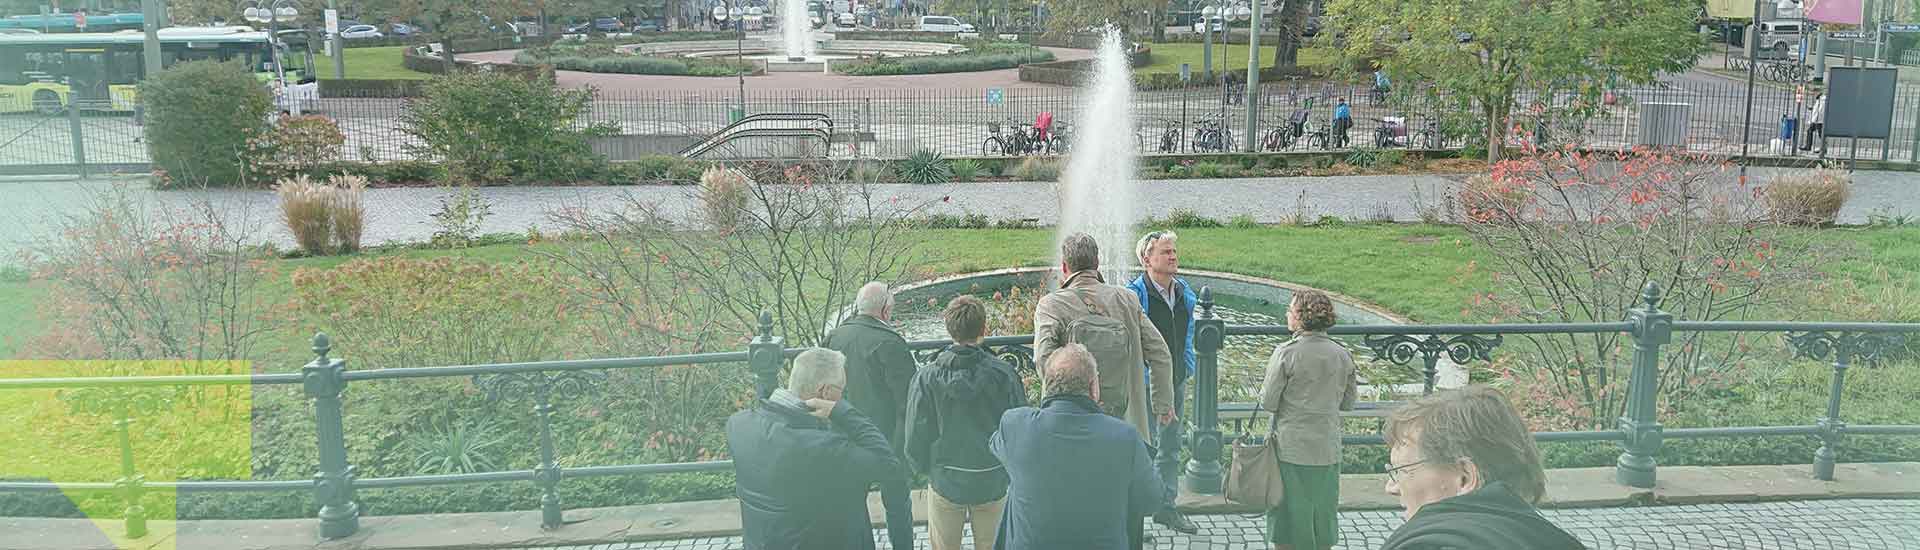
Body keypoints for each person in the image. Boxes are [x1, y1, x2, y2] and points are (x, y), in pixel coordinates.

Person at [1033, 232, 1174, 549]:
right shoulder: (1127, 299)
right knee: (1129, 517)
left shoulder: (1052, 305)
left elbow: (1043, 361)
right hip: (1129, 429)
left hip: (1071, 436)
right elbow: (1161, 354)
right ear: (1097, 264)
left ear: (1064, 267)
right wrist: (1162, 404)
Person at [726, 348, 908, 550]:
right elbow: (888, 465)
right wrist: (841, 411)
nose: (843, 396)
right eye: (842, 390)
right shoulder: (823, 448)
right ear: (826, 391)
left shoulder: (738, 426)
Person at [992, 344, 1163, 550]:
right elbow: (1151, 499)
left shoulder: (1015, 426)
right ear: (1093, 388)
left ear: (1047, 386)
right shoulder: (1124, 437)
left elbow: (995, 446)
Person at [1379, 386, 1586, 550]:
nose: (1391, 487)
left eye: (1401, 471)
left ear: (1464, 478)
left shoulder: (1429, 546)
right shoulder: (1555, 541)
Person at [904, 296, 1030, 550]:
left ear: (948, 328)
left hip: (946, 478)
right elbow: (1018, 428)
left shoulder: (926, 377)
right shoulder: (1004, 374)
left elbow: (915, 434)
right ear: (983, 329)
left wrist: (926, 469)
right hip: (992, 477)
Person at [1259, 290, 1358, 550]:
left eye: (1290, 311)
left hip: (1290, 449)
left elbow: (1268, 402)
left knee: (1288, 519)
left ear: (1301, 317)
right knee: (1321, 517)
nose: (1287, 314)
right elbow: (1348, 403)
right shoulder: (1343, 354)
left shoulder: (1286, 353)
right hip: (1327, 448)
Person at [824, 281, 918, 550]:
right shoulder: (890, 343)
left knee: (852, 507)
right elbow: (907, 402)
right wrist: (902, 451)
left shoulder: (834, 337)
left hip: (844, 439)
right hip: (887, 442)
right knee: (898, 507)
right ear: (886, 310)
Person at [1125, 231, 1200, 535]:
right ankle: (1135, 519)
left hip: (1175, 381)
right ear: (1147, 259)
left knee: (1170, 447)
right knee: (1141, 451)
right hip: (1144, 387)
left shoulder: (1183, 292)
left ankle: (1166, 509)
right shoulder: (1134, 295)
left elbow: (1189, 333)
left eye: (1174, 251)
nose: (1173, 257)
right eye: (1166, 252)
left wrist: (1186, 367)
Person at [1802, 89, 1827, 154]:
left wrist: (1815, 119)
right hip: (1816, 119)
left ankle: (1823, 149)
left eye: (1814, 93)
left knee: (1820, 134)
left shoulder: (1823, 99)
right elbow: (1817, 108)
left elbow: (1820, 111)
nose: (1814, 94)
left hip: (1819, 120)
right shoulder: (1819, 99)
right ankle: (1808, 146)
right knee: (1811, 131)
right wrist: (1812, 108)